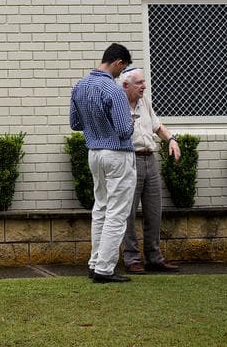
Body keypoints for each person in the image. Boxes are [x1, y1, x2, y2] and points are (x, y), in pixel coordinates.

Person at [70, 42, 135, 284]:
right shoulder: (114, 89)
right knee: (117, 213)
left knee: (101, 209)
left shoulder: (80, 86)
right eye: (123, 68)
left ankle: (95, 263)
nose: (122, 73)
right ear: (118, 62)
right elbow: (122, 130)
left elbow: (75, 124)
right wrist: (133, 121)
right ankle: (104, 269)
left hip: (94, 152)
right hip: (117, 153)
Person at [117, 66, 182, 273]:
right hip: (130, 160)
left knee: (154, 211)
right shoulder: (118, 105)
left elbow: (157, 126)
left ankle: (154, 257)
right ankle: (132, 258)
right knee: (128, 213)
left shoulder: (145, 102)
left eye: (144, 82)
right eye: (139, 83)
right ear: (126, 85)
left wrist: (171, 139)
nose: (144, 86)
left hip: (150, 160)